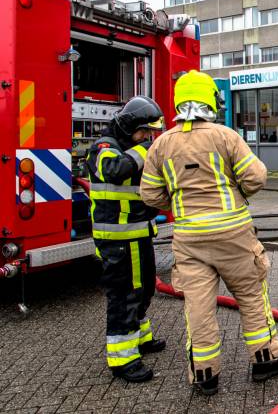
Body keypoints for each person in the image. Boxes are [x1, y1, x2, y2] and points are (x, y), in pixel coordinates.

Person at [140, 70, 278, 396]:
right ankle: (266, 360)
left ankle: (204, 374)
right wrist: (237, 194)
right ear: (210, 100)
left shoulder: (161, 144)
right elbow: (257, 177)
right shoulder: (225, 136)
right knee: (251, 297)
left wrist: (179, 204)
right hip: (233, 235)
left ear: (178, 101)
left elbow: (150, 195)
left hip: (189, 240)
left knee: (198, 307)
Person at [86, 96, 167, 383]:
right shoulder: (104, 148)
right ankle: (123, 359)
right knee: (124, 296)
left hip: (138, 235)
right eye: (144, 131)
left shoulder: (131, 148)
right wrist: (147, 149)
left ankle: (141, 338)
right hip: (118, 241)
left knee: (144, 289)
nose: (147, 137)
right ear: (130, 125)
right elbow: (114, 170)